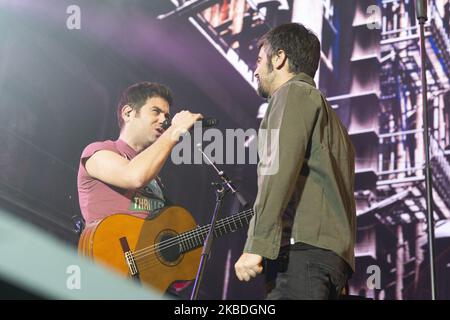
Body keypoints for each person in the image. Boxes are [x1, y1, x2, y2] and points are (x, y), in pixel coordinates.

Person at [234, 23, 356, 300]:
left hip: (300, 255)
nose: (255, 71)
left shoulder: (292, 94)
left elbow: (277, 172)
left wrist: (257, 244)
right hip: (328, 260)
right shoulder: (333, 120)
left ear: (279, 58)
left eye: (259, 59)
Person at [77, 81, 202, 296]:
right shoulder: (99, 151)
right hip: (109, 274)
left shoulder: (157, 181)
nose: (164, 119)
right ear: (128, 112)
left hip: (147, 283)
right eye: (156, 111)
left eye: (167, 115)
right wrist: (174, 131)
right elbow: (134, 176)